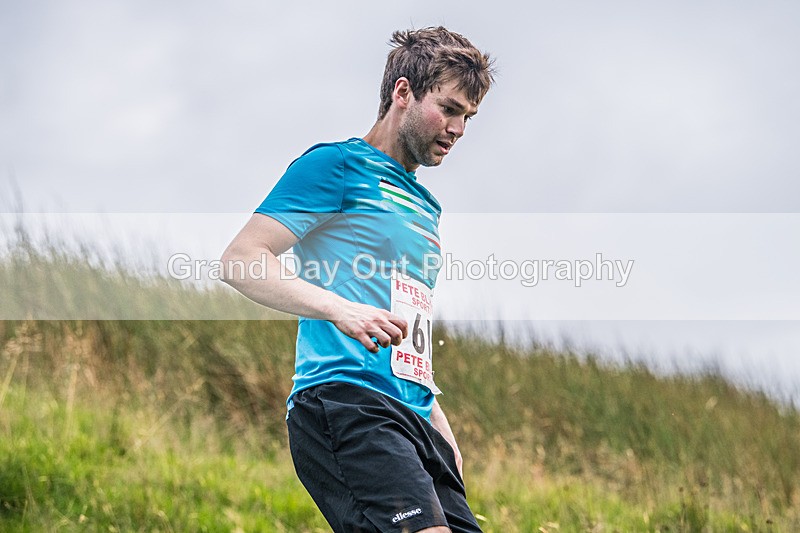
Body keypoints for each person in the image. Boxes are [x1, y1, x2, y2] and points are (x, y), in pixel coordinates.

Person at [221, 26, 494, 533]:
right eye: (450, 108)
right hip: (345, 400)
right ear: (403, 92)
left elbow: (409, 325)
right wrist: (338, 309)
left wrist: (439, 423)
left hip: (414, 416)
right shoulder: (337, 166)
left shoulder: (426, 207)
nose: (458, 129)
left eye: (468, 118)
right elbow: (241, 259)